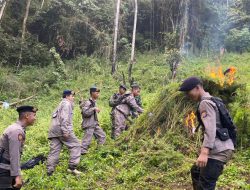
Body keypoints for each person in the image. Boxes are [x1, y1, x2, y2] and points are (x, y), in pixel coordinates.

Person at [179, 77, 235, 190]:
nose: (187, 95)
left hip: (218, 151)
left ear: (197, 88)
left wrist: (204, 153)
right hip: (224, 147)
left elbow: (210, 129)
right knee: (196, 170)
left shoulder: (205, 103)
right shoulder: (213, 100)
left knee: (206, 185)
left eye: (188, 92)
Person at [0, 106, 37, 189]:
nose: (35, 118)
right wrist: (17, 176)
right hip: (4, 169)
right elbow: (14, 155)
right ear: (27, 116)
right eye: (34, 115)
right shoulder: (16, 131)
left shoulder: (16, 128)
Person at [46, 90, 82, 176]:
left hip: (54, 130)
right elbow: (64, 118)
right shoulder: (67, 104)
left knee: (54, 151)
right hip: (62, 129)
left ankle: (49, 171)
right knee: (76, 145)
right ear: (67, 96)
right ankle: (72, 168)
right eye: (72, 96)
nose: (73, 98)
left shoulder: (60, 104)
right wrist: (65, 131)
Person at [80, 86, 106, 155]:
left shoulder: (94, 102)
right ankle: (81, 156)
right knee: (86, 141)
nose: (98, 94)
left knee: (102, 136)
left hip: (94, 124)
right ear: (92, 93)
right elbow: (85, 113)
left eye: (98, 93)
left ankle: (99, 152)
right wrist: (93, 109)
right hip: (89, 124)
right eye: (97, 93)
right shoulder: (87, 102)